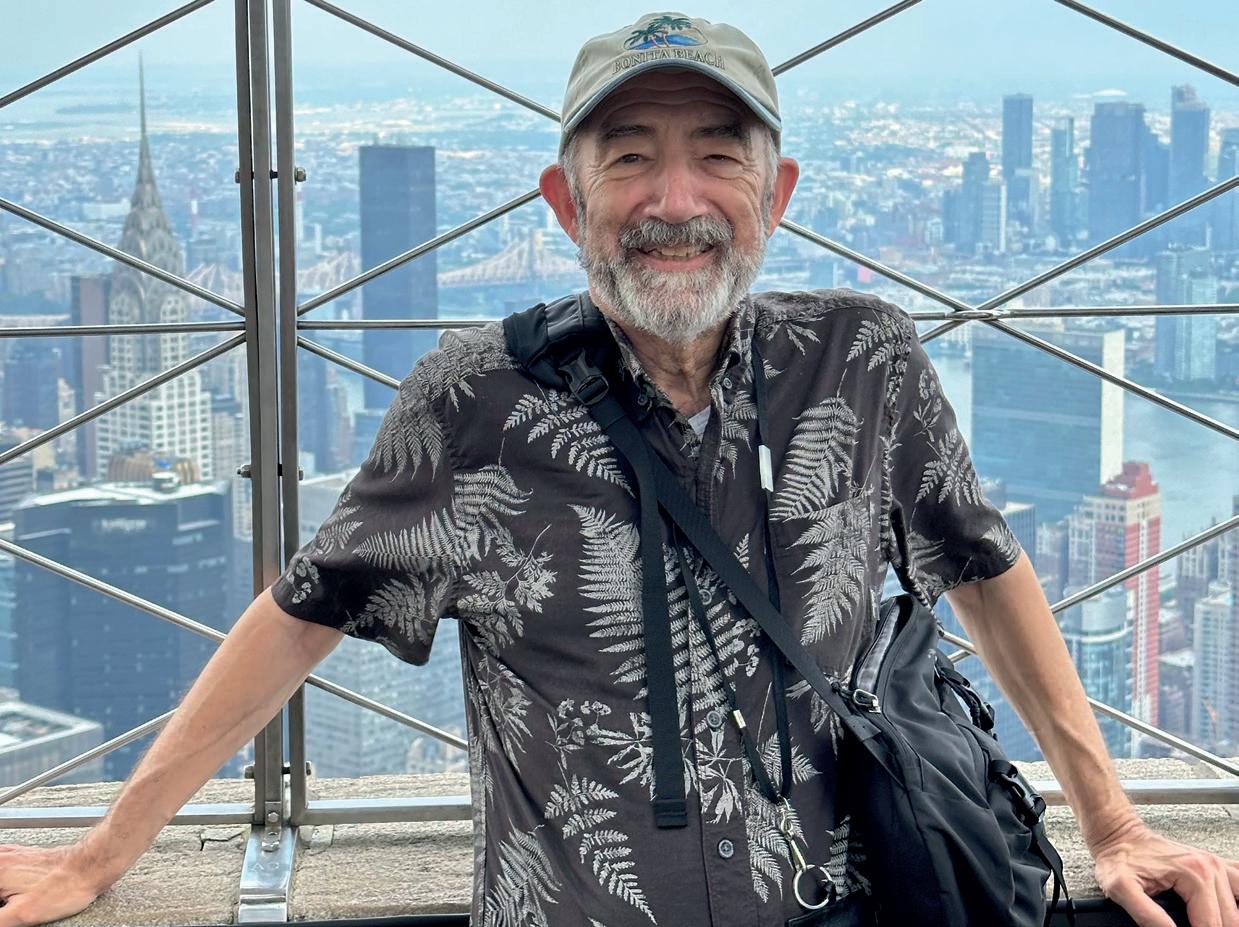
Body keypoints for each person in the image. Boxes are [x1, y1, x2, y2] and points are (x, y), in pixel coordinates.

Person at [1, 10, 1236, 927]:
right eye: (630, 157)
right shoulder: (476, 402)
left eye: (719, 154)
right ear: (566, 200)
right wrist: (103, 854)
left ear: (778, 193)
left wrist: (1114, 822)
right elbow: (301, 615)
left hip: (849, 907)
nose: (675, 198)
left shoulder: (861, 360)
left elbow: (983, 566)